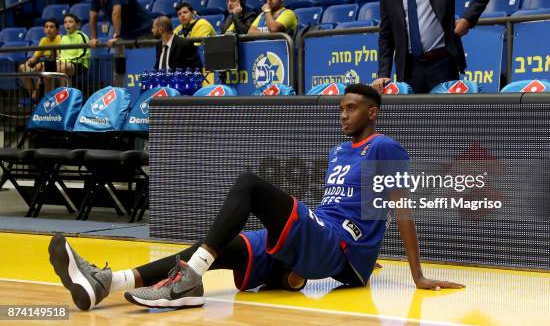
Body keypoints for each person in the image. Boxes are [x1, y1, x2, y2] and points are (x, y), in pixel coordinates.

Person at [48, 83, 464, 311]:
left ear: (372, 113)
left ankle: (188, 279)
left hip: (345, 248)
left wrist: (418, 275)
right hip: (323, 233)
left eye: (352, 108)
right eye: (340, 108)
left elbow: (401, 208)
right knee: (224, 248)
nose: (343, 115)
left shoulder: (383, 146)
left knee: (249, 184)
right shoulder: (340, 150)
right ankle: (108, 282)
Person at [86, 0, 153, 48]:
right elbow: (93, 17)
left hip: (142, 31)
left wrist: (116, 36)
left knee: (142, 58)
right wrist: (93, 38)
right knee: (121, 58)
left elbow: (116, 14)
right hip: (125, 34)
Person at [18, 18, 61, 101]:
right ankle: (34, 96)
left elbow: (59, 57)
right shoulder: (44, 40)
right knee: (22, 68)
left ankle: (45, 98)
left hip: (55, 65)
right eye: (46, 27)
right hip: (43, 64)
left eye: (51, 27)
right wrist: (28, 64)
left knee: (45, 68)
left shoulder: (60, 39)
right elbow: (35, 57)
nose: (48, 29)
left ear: (57, 30)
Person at [57, 14, 90, 86]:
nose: (67, 24)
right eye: (65, 22)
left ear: (77, 25)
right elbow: (62, 54)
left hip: (80, 64)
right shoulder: (63, 38)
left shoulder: (81, 36)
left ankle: (65, 92)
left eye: (70, 22)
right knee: (46, 66)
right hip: (66, 62)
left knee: (62, 67)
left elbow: (83, 54)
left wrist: (66, 61)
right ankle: (46, 92)